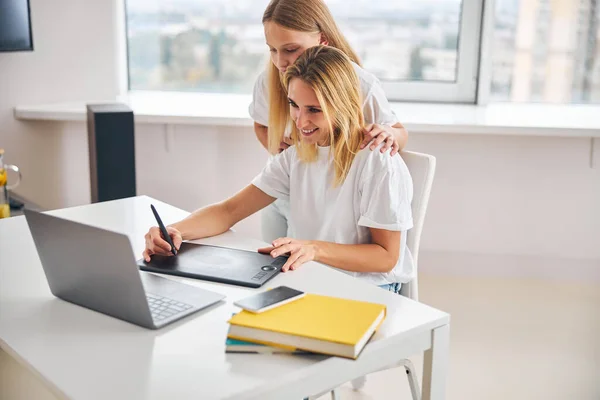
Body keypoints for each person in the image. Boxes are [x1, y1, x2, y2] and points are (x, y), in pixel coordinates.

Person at [143, 46, 414, 293]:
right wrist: (173, 231)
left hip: (367, 289)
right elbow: (228, 211)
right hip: (311, 277)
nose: (300, 120)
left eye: (314, 110)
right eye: (294, 105)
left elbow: (386, 257)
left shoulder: (377, 161)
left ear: (342, 106)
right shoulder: (297, 155)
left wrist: (314, 249)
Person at [250, 0, 409, 242]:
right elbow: (261, 124)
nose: (280, 61)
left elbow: (398, 132)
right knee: (271, 264)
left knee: (303, 262)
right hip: (284, 192)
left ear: (322, 39)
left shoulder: (360, 84)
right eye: (272, 50)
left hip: (331, 202)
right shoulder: (269, 81)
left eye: (291, 49)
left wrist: (388, 133)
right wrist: (278, 149)